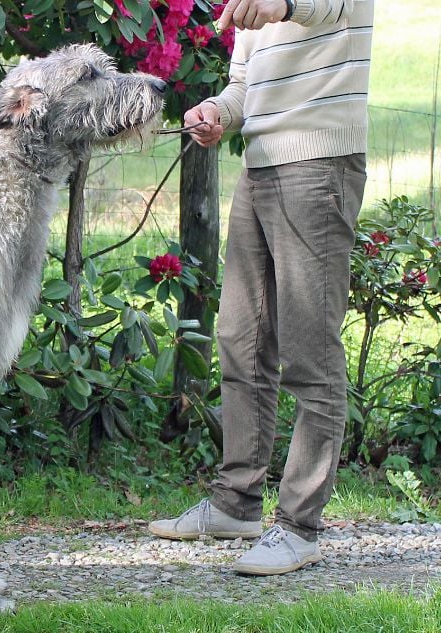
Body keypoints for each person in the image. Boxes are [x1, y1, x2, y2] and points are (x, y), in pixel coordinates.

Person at [148, 0, 375, 575]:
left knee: (309, 352)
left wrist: (283, 4)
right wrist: (216, 113)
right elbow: (245, 83)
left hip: (320, 163)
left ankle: (300, 525)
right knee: (240, 341)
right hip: (262, 163)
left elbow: (326, 10)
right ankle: (237, 503)